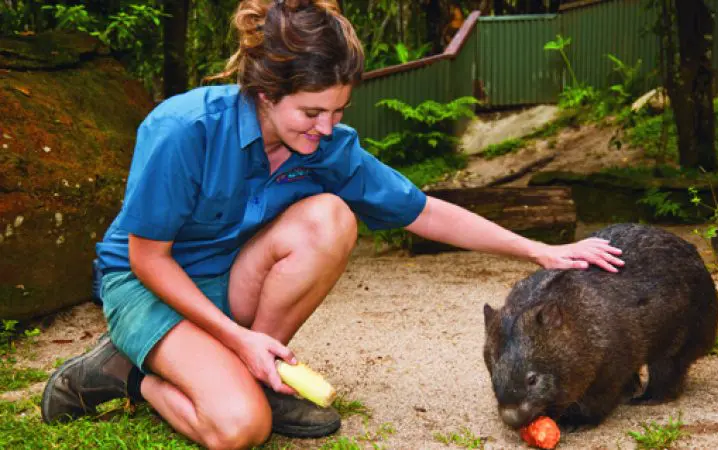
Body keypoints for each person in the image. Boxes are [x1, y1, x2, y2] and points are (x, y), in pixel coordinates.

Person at [40, 0, 623, 448]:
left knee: (332, 218)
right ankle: (123, 374)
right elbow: (147, 257)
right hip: (148, 285)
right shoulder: (183, 129)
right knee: (239, 429)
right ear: (266, 92)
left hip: (229, 279)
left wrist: (539, 250)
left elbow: (422, 210)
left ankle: (261, 374)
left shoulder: (325, 145)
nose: (326, 127)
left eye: (338, 111)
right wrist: (236, 336)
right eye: (312, 112)